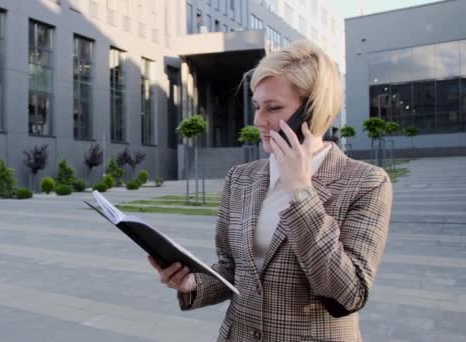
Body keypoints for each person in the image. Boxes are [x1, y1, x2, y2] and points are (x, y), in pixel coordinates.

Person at [148, 40, 392, 341]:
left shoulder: (366, 182)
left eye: (273, 108)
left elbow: (347, 294)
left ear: (313, 111)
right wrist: (193, 284)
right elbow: (232, 269)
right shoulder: (240, 178)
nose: (258, 120)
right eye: (256, 106)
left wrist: (301, 191)